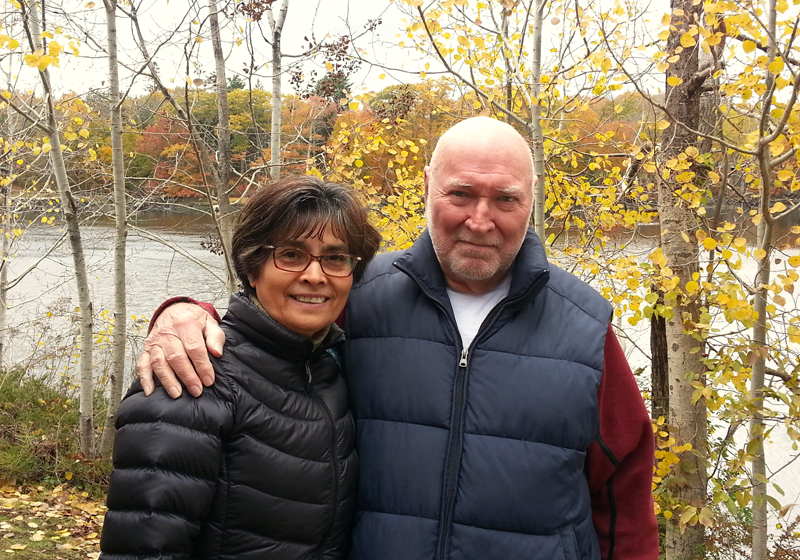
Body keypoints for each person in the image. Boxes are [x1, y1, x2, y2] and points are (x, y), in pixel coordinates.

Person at [138, 117, 659, 560]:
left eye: (505, 199)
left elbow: (625, 497)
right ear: (428, 185)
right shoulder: (361, 296)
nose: (481, 220)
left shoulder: (584, 325)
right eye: (460, 194)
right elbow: (270, 329)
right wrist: (187, 310)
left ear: (529, 199)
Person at [100, 176, 381, 560]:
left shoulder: (334, 368)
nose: (315, 275)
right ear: (252, 268)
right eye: (292, 254)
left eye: (335, 258)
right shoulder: (192, 375)